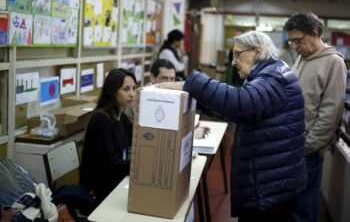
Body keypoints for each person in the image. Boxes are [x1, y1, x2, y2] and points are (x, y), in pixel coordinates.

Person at [158, 30, 307, 221]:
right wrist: (199, 98)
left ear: (256, 51)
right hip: (271, 181)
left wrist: (193, 83)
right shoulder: (272, 73)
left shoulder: (274, 78)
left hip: (270, 188)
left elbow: (241, 102)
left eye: (237, 54)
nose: (234, 61)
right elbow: (239, 111)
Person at [283, 12, 347, 222]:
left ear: (315, 32)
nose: (294, 45)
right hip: (292, 144)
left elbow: (331, 112)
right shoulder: (302, 58)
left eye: (298, 40)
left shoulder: (333, 62)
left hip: (307, 149)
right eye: (291, 41)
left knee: (303, 208)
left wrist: (308, 145)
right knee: (290, 205)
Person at [79, 68, 136, 204]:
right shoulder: (101, 120)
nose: (132, 94)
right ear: (112, 91)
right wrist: (137, 166)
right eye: (126, 89)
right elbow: (111, 164)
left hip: (115, 182)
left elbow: (137, 143)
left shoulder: (121, 118)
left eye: (134, 89)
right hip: (99, 190)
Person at [124, 59, 176, 123]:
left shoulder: (168, 94)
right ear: (152, 78)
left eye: (172, 79)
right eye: (164, 78)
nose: (169, 83)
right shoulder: (144, 96)